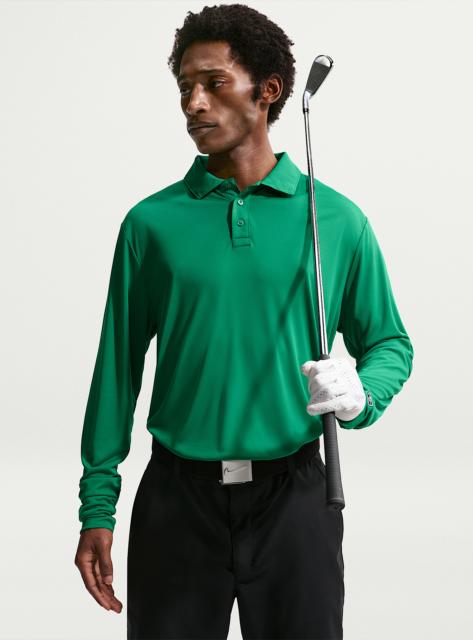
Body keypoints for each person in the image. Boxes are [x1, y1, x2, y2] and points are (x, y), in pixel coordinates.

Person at [74, 4, 414, 639]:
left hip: (296, 497)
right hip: (177, 500)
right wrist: (98, 505)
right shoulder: (150, 224)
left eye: (214, 83)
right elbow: (116, 369)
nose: (193, 103)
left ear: (269, 90)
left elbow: (389, 343)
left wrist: (361, 394)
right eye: (185, 87)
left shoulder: (335, 220)